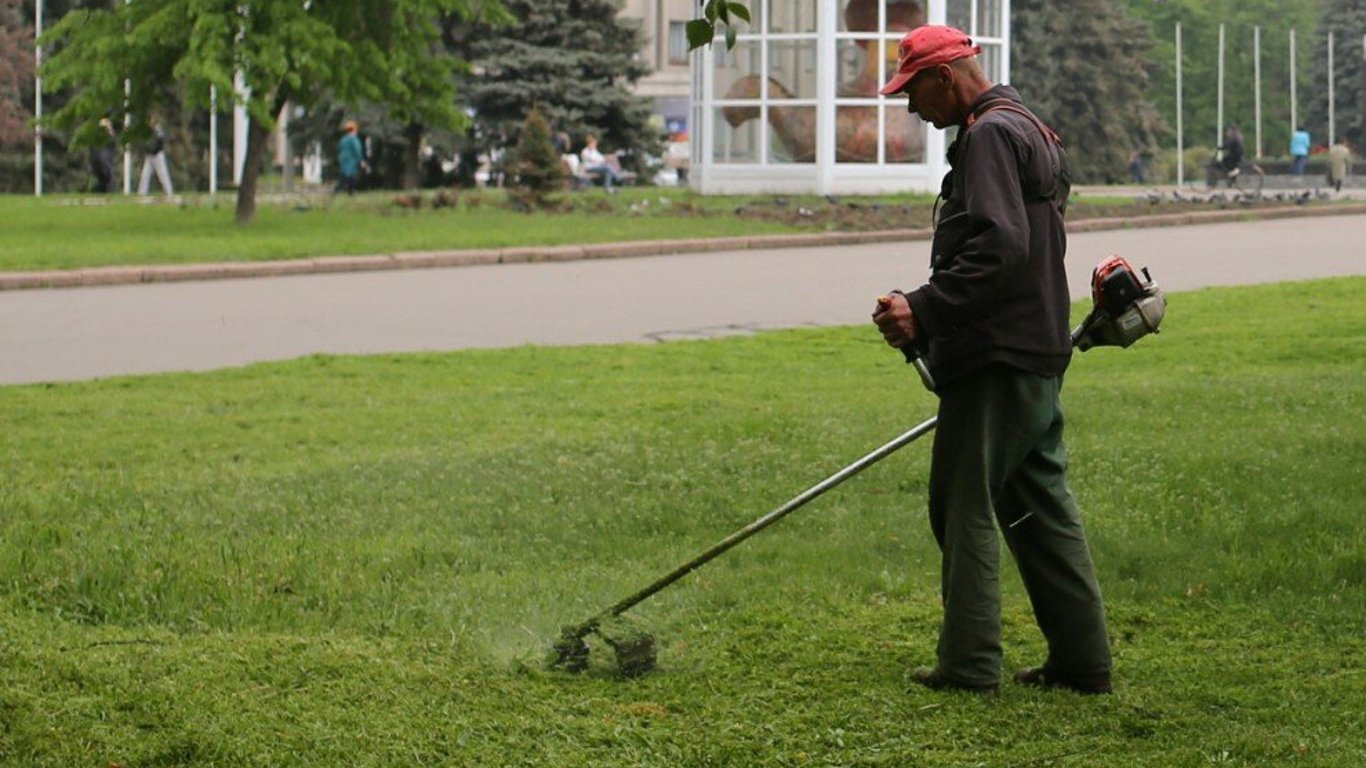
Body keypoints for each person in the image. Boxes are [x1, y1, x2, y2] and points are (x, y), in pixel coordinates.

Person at [872, 25, 1112, 695]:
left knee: (963, 504)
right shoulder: (1029, 126)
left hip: (997, 355)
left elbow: (1000, 246)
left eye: (913, 91)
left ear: (944, 76)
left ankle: (969, 665)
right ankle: (1082, 662)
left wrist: (922, 307)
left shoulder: (988, 137)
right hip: (1037, 348)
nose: (911, 107)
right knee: (1041, 506)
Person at [137, 117, 174, 197]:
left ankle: (169, 192)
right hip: (149, 156)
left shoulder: (158, 130)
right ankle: (142, 193)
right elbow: (144, 142)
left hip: (157, 156)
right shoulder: (147, 131)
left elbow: (160, 142)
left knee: (163, 175)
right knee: (145, 175)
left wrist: (153, 150)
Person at [336, 120, 368, 195]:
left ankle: (338, 191)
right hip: (352, 160)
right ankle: (350, 192)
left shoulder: (343, 139)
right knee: (352, 176)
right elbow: (357, 150)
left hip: (343, 160)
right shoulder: (354, 139)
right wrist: (361, 160)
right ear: (354, 129)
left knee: (344, 175)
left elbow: (339, 148)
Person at [89, 118, 117, 194]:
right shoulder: (97, 137)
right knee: (101, 179)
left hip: (106, 160)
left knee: (108, 178)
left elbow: (113, 141)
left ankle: (108, 191)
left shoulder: (110, 136)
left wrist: (109, 129)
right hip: (98, 160)